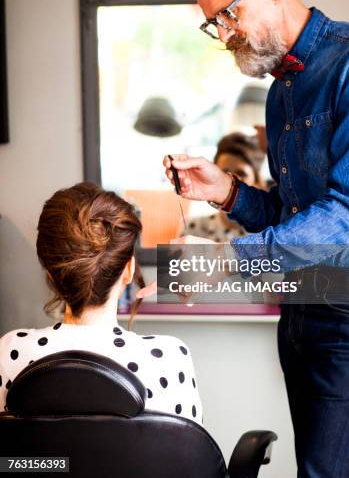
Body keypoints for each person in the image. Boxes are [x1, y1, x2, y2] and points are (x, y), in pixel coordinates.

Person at [163, 0, 349, 476]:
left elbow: (346, 217)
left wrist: (226, 263)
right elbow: (292, 217)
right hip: (300, 310)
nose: (224, 34)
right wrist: (225, 191)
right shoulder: (280, 92)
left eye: (229, 14)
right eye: (214, 24)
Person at [0, 182, 202, 424]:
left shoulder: (9, 351)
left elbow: (7, 460)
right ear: (128, 270)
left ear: (51, 274)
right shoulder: (169, 358)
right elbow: (188, 456)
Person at [184, 131, 265, 242]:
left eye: (241, 173)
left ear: (256, 180)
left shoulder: (269, 236)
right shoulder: (192, 228)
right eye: (223, 172)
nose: (232, 181)